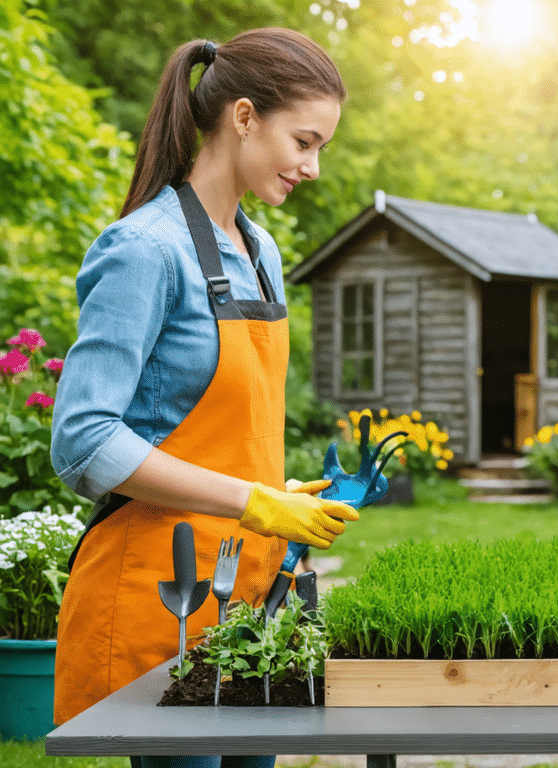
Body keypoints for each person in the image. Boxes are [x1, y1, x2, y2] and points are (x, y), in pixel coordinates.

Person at [50, 28, 354, 768]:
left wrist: (272, 493)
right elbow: (83, 439)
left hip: (248, 590)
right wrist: (251, 502)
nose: (312, 168)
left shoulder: (261, 251)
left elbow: (219, 425)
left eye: (322, 149)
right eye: (303, 142)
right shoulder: (144, 250)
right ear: (244, 117)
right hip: (165, 590)